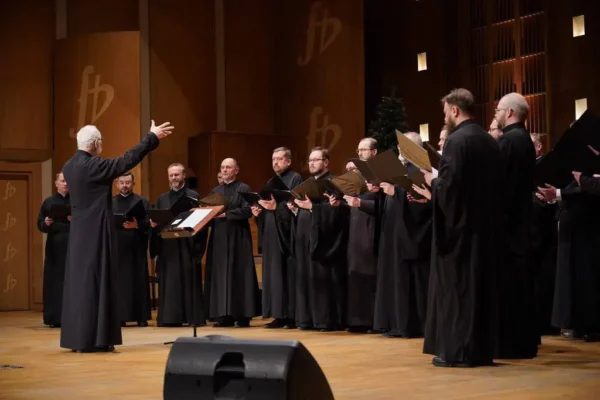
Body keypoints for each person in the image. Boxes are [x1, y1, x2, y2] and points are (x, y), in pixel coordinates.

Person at [60, 120, 174, 353]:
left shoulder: (69, 166)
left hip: (79, 231)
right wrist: (151, 137)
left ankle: (78, 338)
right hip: (96, 229)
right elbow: (127, 160)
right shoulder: (94, 166)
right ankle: (95, 337)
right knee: (97, 282)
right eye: (101, 141)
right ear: (95, 143)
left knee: (80, 284)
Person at [422, 88, 502, 367]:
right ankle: (480, 351)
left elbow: (451, 189)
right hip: (486, 227)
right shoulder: (489, 141)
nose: (445, 116)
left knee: (458, 292)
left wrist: (432, 182)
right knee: (480, 291)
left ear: (455, 110)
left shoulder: (456, 141)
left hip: (460, 232)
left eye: (445, 112)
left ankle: (458, 352)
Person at [494, 92, 538, 359]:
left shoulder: (508, 141)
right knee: (521, 286)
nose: (496, 114)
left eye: (498, 110)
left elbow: (497, 184)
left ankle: (510, 344)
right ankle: (524, 343)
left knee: (509, 287)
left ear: (509, 112)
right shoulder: (525, 140)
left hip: (507, 225)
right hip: (522, 222)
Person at [374, 133, 432, 338]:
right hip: (393, 232)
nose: (399, 149)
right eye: (399, 146)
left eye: (404, 146)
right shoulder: (400, 169)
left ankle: (409, 325)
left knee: (409, 281)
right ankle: (394, 323)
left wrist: (395, 192)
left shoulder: (421, 171)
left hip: (409, 234)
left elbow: (422, 205)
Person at [293, 147, 349, 331]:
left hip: (325, 241)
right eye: (310, 160)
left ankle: (325, 320)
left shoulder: (334, 182)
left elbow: (340, 211)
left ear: (325, 162)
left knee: (324, 279)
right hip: (305, 236)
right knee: (306, 277)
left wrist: (313, 208)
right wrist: (296, 209)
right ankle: (306, 319)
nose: (311, 163)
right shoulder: (308, 183)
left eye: (315, 160)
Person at [205, 158, 260, 327]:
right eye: (222, 167)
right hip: (219, 237)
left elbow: (247, 210)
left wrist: (227, 214)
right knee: (220, 276)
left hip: (238, 237)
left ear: (236, 170)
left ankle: (242, 315)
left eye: (228, 167)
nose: (224, 170)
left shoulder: (243, 188)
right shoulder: (216, 190)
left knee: (239, 274)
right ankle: (223, 315)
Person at [150, 163, 208, 327]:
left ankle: (192, 317)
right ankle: (170, 318)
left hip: (187, 244)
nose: (174, 178)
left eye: (177, 174)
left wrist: (188, 226)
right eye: (171, 175)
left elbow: (201, 221)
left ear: (183, 176)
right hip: (168, 246)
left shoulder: (193, 196)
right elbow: (158, 222)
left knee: (188, 280)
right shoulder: (162, 198)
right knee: (170, 282)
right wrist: (155, 225)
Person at [252, 147, 303, 329]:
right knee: (273, 275)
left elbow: (296, 207)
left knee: (286, 273)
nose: (275, 162)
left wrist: (277, 208)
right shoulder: (271, 182)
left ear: (288, 161)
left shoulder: (295, 178)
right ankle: (277, 315)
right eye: (273, 159)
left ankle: (290, 315)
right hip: (272, 231)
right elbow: (270, 206)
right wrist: (259, 212)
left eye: (279, 159)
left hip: (286, 235)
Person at [342, 139, 380, 333]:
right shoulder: (358, 177)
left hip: (371, 230)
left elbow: (384, 205)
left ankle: (372, 321)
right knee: (356, 277)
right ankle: (356, 320)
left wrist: (361, 203)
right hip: (355, 231)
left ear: (374, 152)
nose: (360, 153)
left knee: (370, 277)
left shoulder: (379, 172)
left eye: (363, 149)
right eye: (358, 150)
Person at [112, 172, 151, 327]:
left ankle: (141, 316)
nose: (125, 185)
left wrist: (137, 225)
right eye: (122, 182)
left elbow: (150, 223)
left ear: (133, 184)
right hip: (118, 248)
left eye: (128, 182)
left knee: (138, 281)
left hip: (136, 248)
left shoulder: (142, 202)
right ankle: (120, 316)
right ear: (117, 184)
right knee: (120, 283)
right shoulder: (111, 202)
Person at [37, 172, 70, 328]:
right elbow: (40, 224)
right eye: (62, 181)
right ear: (56, 183)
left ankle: (72, 317)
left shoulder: (77, 201)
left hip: (72, 245)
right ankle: (54, 317)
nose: (65, 183)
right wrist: (46, 222)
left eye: (67, 181)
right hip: (55, 248)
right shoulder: (49, 202)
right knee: (55, 281)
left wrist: (75, 219)